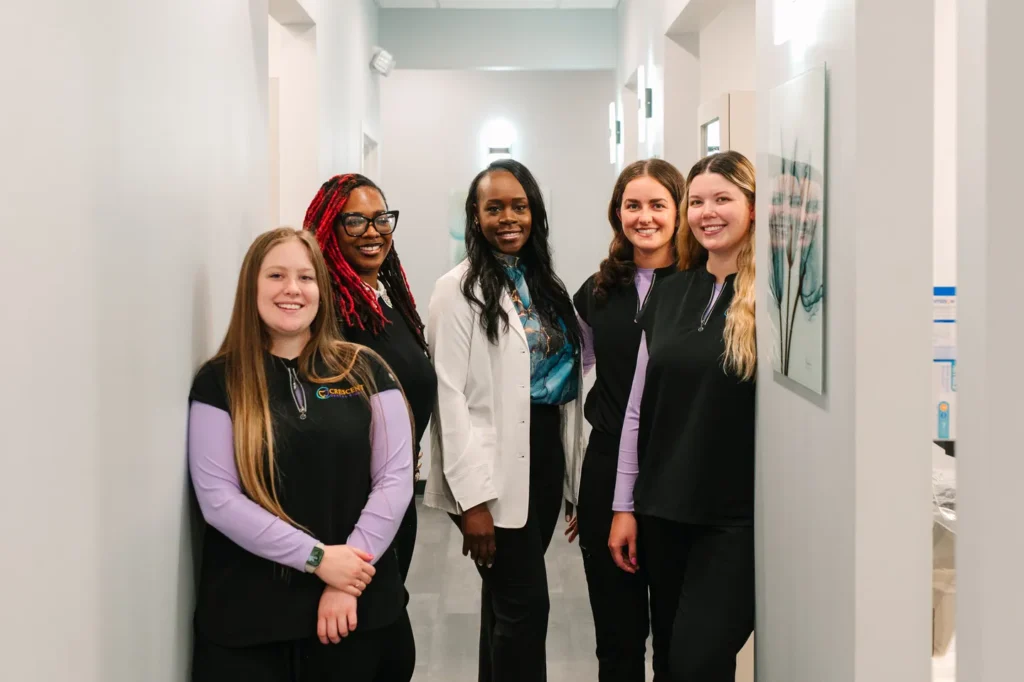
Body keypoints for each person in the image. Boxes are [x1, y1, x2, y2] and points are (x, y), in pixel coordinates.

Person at [188, 228, 415, 681]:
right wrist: (319, 560)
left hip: (358, 615)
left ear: (321, 290)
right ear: (251, 287)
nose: (292, 289)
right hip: (251, 626)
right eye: (276, 275)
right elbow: (219, 501)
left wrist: (347, 577)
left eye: (306, 277)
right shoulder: (219, 382)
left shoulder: (367, 369)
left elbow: (395, 480)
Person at [424, 159, 583, 682]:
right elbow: (447, 398)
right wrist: (472, 503)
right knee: (526, 607)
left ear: (535, 212)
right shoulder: (456, 289)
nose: (508, 218)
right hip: (489, 471)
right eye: (494, 208)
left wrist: (571, 479)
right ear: (476, 216)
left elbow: (566, 384)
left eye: (519, 206)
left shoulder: (545, 284)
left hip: (542, 455)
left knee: (504, 604)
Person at [608, 151, 757, 682]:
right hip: (663, 510)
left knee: (698, 662)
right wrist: (624, 505)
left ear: (753, 207)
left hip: (733, 521)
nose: (706, 212)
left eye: (722, 199)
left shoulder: (771, 300)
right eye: (696, 201)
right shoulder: (670, 293)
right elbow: (636, 410)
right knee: (669, 660)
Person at [572, 158, 685, 682]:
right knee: (617, 641)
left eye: (658, 205)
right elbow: (572, 374)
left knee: (676, 642)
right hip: (605, 467)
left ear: (678, 211)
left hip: (675, 473)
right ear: (617, 213)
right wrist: (578, 488)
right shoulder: (597, 291)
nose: (645, 217)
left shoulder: (700, 286)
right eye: (632, 205)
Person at [304, 173, 436, 581]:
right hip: (352, 509)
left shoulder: (385, 305)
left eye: (381, 218)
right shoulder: (326, 316)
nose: (372, 231)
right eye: (355, 221)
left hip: (394, 497)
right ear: (329, 229)